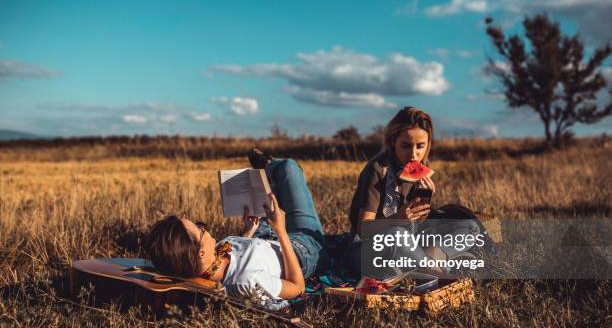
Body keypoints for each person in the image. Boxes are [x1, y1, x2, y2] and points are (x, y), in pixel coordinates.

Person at [145, 151, 325, 306]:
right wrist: (281, 231)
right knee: (289, 168)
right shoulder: (245, 281)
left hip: (262, 234)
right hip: (299, 248)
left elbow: (241, 259)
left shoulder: (212, 257)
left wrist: (248, 231)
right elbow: (297, 287)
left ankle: (270, 178)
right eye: (200, 228)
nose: (205, 228)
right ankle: (271, 167)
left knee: (266, 192)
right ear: (200, 253)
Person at [345, 106, 490, 276]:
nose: (413, 155)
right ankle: (437, 273)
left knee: (470, 227)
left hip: (409, 243)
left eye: (420, 146)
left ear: (428, 143)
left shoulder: (421, 168)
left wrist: (424, 206)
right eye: (406, 146)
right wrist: (398, 218)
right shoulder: (377, 170)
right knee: (397, 235)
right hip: (366, 250)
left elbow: (415, 227)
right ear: (393, 142)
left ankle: (427, 261)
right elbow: (364, 229)